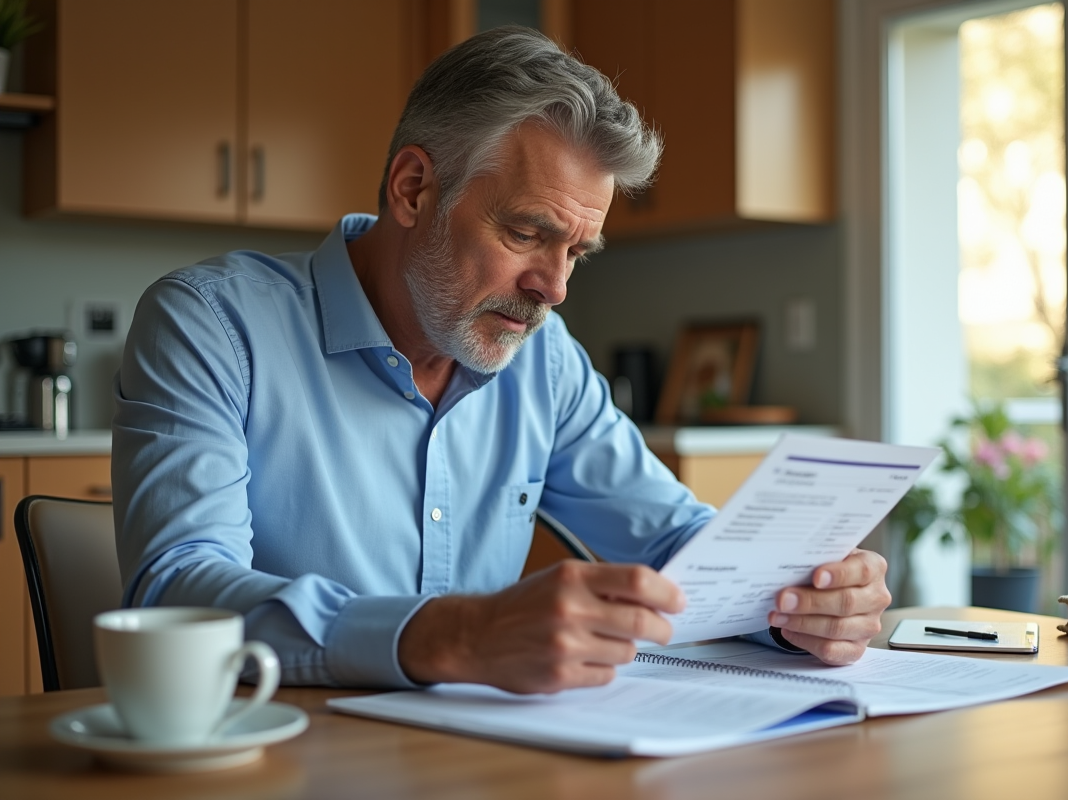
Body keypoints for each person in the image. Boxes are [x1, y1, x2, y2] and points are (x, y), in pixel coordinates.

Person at [112, 27, 890, 694]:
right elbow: (179, 591)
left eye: (577, 252)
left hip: (488, 763)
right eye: (525, 233)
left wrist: (796, 605)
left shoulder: (542, 359)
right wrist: (456, 636)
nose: (552, 289)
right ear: (414, 189)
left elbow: (676, 548)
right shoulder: (212, 323)